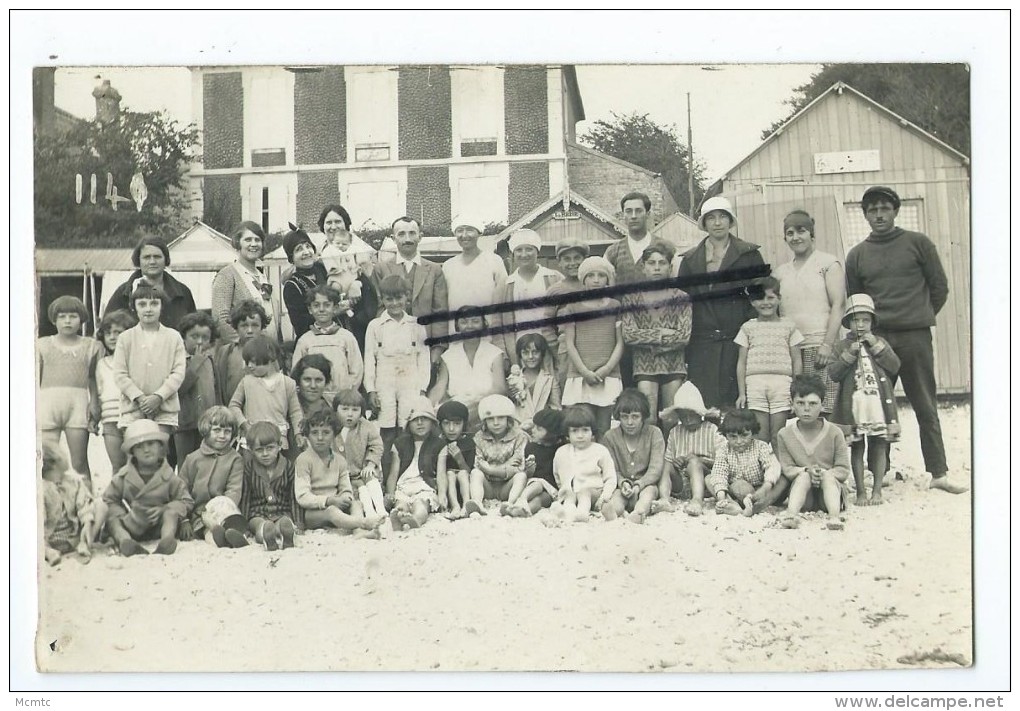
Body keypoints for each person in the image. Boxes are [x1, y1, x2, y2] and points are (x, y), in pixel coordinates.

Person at [844, 185, 965, 495]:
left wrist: (918, 315)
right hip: (876, 339)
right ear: (866, 215)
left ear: (895, 211)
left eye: (885, 208)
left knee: (925, 403)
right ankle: (880, 472)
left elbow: (939, 288)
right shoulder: (857, 255)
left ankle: (938, 472)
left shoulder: (918, 243)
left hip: (915, 336)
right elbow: (857, 300)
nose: (880, 214)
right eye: (873, 210)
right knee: (875, 404)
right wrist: (872, 333)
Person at [678, 196, 765, 409]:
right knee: (706, 406)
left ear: (730, 221)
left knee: (738, 405)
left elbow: (761, 296)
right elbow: (682, 303)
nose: (717, 223)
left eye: (723, 217)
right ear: (704, 223)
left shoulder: (749, 254)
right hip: (702, 344)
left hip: (738, 341)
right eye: (711, 218)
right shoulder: (690, 260)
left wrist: (750, 331)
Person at [828, 295, 901, 506]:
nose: (860, 325)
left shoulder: (879, 342)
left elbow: (895, 366)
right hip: (854, 407)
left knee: (879, 444)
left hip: (877, 405)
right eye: (855, 320)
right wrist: (849, 355)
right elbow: (833, 373)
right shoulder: (842, 345)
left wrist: (877, 346)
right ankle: (860, 491)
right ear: (848, 323)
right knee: (857, 447)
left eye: (865, 320)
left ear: (872, 322)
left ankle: (877, 490)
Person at [773, 210, 845, 414]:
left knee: (821, 410)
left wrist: (827, 345)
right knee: (796, 411)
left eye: (801, 231)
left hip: (820, 348)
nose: (795, 237)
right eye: (789, 233)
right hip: (792, 351)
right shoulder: (781, 272)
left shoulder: (828, 264)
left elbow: (838, 305)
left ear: (812, 234)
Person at [621, 242, 692, 424]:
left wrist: (647, 340)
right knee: (647, 417)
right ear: (644, 267)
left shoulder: (680, 297)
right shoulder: (631, 298)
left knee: (672, 417)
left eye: (662, 263)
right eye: (652, 263)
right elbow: (629, 334)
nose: (657, 268)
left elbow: (683, 336)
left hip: (673, 364)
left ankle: (671, 453)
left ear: (670, 267)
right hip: (644, 366)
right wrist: (660, 333)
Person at [100, 419, 194, 556]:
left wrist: (165, 508)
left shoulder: (168, 476)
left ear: (161, 447)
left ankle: (167, 540)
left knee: (171, 514)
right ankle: (125, 541)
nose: (146, 450)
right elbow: (109, 499)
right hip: (132, 524)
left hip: (158, 525)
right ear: (132, 451)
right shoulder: (124, 476)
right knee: (113, 521)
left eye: (151, 444)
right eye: (139, 446)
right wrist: (124, 515)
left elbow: (186, 500)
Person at [38, 295, 103, 488]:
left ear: (81, 319)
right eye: (62, 316)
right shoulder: (41, 345)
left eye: (73, 316)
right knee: (48, 461)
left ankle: (88, 507)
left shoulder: (92, 346)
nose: (67, 321)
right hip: (48, 404)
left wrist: (95, 403)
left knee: (79, 462)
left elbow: (95, 379)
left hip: (78, 404)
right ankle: (49, 508)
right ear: (54, 319)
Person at [364, 275, 431, 454]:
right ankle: (384, 465)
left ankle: (405, 463)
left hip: (410, 379)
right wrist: (371, 389)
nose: (394, 303)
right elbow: (369, 358)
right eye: (389, 299)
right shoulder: (375, 326)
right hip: (384, 379)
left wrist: (422, 388)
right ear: (382, 299)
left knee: (406, 423)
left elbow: (424, 358)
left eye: (398, 298)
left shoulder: (416, 325)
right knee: (385, 425)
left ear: (407, 297)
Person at [734, 276, 804, 445]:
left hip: (782, 383)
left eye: (770, 297)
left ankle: (781, 470)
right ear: (752, 302)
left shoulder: (789, 326)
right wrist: (742, 393)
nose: (765, 302)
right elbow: (741, 363)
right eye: (760, 298)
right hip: (755, 383)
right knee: (761, 436)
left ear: (779, 299)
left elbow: (797, 361)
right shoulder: (747, 327)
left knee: (779, 436)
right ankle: (764, 470)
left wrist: (796, 391)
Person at [776, 375, 852, 530]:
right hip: (804, 496)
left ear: (822, 405)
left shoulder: (835, 432)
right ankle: (791, 515)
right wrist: (806, 471)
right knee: (804, 476)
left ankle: (834, 518)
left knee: (828, 477)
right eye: (800, 403)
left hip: (832, 494)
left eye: (812, 403)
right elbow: (788, 468)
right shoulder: (784, 434)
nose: (806, 409)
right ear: (792, 404)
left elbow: (843, 469)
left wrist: (824, 473)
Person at [295, 408, 384, 539]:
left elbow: (345, 487)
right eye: (314, 433)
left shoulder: (340, 460)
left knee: (356, 504)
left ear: (335, 434)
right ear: (307, 435)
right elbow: (302, 496)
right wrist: (328, 501)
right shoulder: (303, 459)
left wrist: (345, 498)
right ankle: (364, 523)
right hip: (313, 512)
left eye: (326, 432)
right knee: (332, 511)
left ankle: (358, 532)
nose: (320, 438)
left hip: (336, 505)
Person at [372, 216, 448, 367]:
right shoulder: (381, 269)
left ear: (420, 237)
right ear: (393, 238)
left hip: (424, 346)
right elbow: (379, 308)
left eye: (412, 233)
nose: (407, 239)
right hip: (391, 346)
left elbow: (440, 311)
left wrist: (437, 349)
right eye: (401, 234)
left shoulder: (434, 270)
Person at [560, 256, 624, 436]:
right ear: (583, 279)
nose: (596, 280)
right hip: (580, 375)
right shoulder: (573, 307)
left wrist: (606, 369)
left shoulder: (615, 305)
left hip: (608, 376)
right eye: (591, 275)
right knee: (581, 425)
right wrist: (584, 371)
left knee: (606, 430)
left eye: (601, 275)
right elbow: (569, 343)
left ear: (607, 279)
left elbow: (620, 342)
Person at [112, 284, 187, 436]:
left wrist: (159, 396)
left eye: (154, 304)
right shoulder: (125, 338)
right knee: (136, 450)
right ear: (134, 308)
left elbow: (178, 372)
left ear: (162, 307)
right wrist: (139, 398)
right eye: (142, 304)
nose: (148, 309)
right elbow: (120, 374)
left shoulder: (173, 337)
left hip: (164, 406)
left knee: (159, 452)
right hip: (133, 407)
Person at [176, 406, 248, 548]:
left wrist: (220, 509)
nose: (222, 436)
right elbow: (181, 489)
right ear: (206, 431)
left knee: (230, 522)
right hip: (199, 513)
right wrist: (184, 519)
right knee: (208, 530)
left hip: (225, 509)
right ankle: (218, 537)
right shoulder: (193, 458)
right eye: (217, 430)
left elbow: (234, 490)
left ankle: (236, 536)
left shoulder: (235, 459)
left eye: (227, 431)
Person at [491, 229, 563, 363]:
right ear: (513, 254)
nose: (524, 254)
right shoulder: (505, 284)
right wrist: (505, 357)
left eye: (529, 249)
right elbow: (496, 324)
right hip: (519, 349)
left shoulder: (554, 278)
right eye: (519, 250)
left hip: (550, 347)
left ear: (537, 252)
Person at [657, 381, 726, 517]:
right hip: (681, 482)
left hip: (706, 481)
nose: (688, 420)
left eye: (691, 415)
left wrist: (700, 460)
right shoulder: (675, 432)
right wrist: (675, 462)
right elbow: (669, 459)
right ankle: (664, 499)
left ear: (700, 413)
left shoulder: (712, 430)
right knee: (666, 465)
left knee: (694, 463)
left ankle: (697, 500)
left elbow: (724, 461)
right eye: (683, 416)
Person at [430, 306, 507, 427]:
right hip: (456, 409)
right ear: (457, 326)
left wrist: (476, 405)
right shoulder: (449, 355)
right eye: (464, 322)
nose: (469, 326)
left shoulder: (494, 353)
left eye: (475, 321)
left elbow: (500, 388)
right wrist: (427, 406)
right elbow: (440, 386)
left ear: (483, 324)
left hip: (487, 408)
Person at [228, 335, 304, 456]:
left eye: (254, 362)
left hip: (277, 439)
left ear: (270, 359)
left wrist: (298, 433)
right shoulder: (246, 381)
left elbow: (295, 411)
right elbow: (233, 406)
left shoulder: (287, 383)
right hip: (252, 438)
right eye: (248, 362)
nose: (250, 366)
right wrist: (244, 424)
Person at [317, 204, 379, 351]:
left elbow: (369, 275)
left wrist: (357, 283)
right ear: (323, 226)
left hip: (357, 314)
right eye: (329, 222)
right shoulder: (319, 252)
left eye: (337, 221)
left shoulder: (357, 249)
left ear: (346, 224)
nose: (333, 226)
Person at [104, 236, 197, 330]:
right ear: (138, 260)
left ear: (166, 260)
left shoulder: (183, 293)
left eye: (157, 257)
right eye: (147, 257)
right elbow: (106, 330)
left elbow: (192, 330)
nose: (152, 262)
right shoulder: (124, 293)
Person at [600, 389, 664, 524]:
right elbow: (612, 470)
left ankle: (638, 514)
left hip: (646, 484)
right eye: (624, 417)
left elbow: (655, 469)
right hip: (622, 487)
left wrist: (638, 485)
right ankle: (613, 514)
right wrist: (623, 483)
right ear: (619, 417)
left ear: (643, 416)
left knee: (648, 495)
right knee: (616, 499)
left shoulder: (654, 433)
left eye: (635, 417)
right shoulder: (610, 437)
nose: (629, 422)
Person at [292, 284, 364, 399]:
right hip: (314, 399)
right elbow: (296, 371)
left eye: (327, 305)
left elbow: (357, 369)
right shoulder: (305, 340)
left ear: (335, 308)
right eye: (316, 305)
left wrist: (348, 393)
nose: (321, 309)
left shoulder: (346, 337)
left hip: (341, 398)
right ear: (310, 309)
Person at [705, 409, 781, 517]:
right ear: (726, 435)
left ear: (753, 432)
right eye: (733, 437)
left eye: (744, 435)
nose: (739, 441)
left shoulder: (761, 447)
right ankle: (729, 504)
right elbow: (719, 473)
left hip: (758, 491)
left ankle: (750, 505)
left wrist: (765, 488)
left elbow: (771, 467)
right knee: (709, 478)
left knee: (777, 480)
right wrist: (721, 497)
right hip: (732, 491)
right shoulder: (724, 450)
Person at [238, 421, 301, 551]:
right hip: (258, 513)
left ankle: (286, 532)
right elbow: (245, 497)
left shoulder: (288, 467)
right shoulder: (249, 468)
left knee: (284, 522)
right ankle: (266, 534)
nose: (265, 454)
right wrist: (243, 526)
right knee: (258, 525)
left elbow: (293, 496)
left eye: (270, 448)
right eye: (259, 450)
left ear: (279, 446)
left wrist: (298, 521)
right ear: (251, 450)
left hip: (282, 511)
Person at [551, 405, 617, 522]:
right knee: (569, 494)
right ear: (567, 434)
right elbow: (557, 474)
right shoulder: (561, 452)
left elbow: (610, 477)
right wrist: (564, 488)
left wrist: (604, 496)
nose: (580, 435)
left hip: (594, 494)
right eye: (575, 431)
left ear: (592, 432)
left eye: (585, 430)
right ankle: (567, 512)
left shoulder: (600, 450)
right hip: (571, 493)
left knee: (584, 492)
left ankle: (582, 513)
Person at [465, 394, 529, 515]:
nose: (496, 423)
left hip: (507, 486)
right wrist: (506, 465)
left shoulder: (519, 437)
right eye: (491, 419)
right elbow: (479, 464)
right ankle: (477, 503)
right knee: (475, 473)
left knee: (521, 476)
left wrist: (490, 470)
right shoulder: (479, 437)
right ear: (485, 421)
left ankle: (510, 504)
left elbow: (518, 468)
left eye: (500, 418)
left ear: (508, 419)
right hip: (487, 486)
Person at [212, 221, 275, 343]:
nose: (253, 244)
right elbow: (220, 318)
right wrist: (244, 345)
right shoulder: (227, 275)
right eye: (248, 240)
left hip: (268, 351)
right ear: (237, 243)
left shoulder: (263, 276)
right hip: (243, 352)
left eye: (257, 240)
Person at [385, 396, 442, 531]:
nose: (420, 423)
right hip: (403, 485)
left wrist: (443, 495)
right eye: (415, 419)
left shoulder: (439, 444)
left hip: (424, 486)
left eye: (424, 418)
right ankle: (398, 517)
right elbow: (393, 473)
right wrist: (390, 493)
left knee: (421, 504)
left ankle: (416, 519)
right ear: (408, 424)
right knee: (400, 504)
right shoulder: (399, 443)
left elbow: (441, 474)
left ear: (432, 422)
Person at [332, 388, 388, 522]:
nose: (350, 414)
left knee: (371, 480)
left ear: (362, 412)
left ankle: (381, 509)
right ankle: (369, 512)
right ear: (336, 410)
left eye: (355, 410)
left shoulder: (366, 427)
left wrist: (370, 464)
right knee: (361, 489)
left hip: (362, 469)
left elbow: (376, 445)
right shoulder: (332, 428)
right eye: (345, 409)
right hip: (344, 476)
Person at [41, 441, 98, 566]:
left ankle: (83, 543)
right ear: (55, 462)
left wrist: (87, 523)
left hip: (72, 537)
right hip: (48, 538)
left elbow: (84, 505)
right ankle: (47, 551)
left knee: (97, 505)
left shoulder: (73, 482)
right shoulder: (40, 489)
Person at [94, 308, 137, 474]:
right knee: (117, 467)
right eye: (108, 333)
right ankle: (117, 499)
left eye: (118, 332)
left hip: (133, 418)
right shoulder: (102, 364)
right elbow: (98, 393)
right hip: (110, 420)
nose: (112, 337)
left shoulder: (136, 361)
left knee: (136, 465)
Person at [441, 214, 508, 317]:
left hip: (488, 327)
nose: (464, 235)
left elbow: (503, 298)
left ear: (479, 233)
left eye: (469, 230)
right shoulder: (448, 266)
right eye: (460, 231)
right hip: (457, 328)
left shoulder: (494, 261)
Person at [174, 311, 218, 466]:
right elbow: (178, 389)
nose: (200, 342)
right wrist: (194, 365)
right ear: (184, 337)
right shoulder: (178, 360)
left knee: (207, 464)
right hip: (185, 424)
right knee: (186, 464)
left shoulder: (210, 360)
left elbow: (215, 389)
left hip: (208, 423)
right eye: (194, 337)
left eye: (205, 338)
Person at [543, 237, 589, 385]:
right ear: (560, 263)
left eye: (577, 258)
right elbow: (547, 326)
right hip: (566, 353)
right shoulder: (555, 290)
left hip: (593, 348)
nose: (573, 263)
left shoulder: (593, 285)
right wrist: (558, 351)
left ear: (585, 260)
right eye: (567, 259)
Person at [503, 408, 565, 518]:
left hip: (552, 490)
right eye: (534, 426)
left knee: (540, 499)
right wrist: (528, 470)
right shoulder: (531, 447)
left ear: (552, 432)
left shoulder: (562, 449)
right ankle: (521, 503)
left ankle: (522, 508)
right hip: (530, 486)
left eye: (539, 429)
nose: (533, 430)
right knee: (536, 483)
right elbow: (527, 474)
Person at [213, 300, 269, 408]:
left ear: (262, 327)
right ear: (236, 327)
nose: (249, 330)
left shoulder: (270, 351)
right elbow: (219, 386)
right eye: (244, 325)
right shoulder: (226, 352)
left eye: (255, 325)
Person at [281, 225, 329, 341]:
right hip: (312, 343)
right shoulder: (292, 286)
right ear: (291, 258)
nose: (306, 252)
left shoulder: (323, 270)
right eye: (299, 249)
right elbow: (301, 325)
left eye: (308, 246)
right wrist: (334, 312)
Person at [506, 333, 561, 432]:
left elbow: (556, 409)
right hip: (517, 430)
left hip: (541, 430)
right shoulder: (513, 379)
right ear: (520, 355)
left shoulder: (549, 379)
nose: (531, 356)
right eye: (525, 353)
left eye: (535, 352)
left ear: (542, 353)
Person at [433, 400, 476, 519]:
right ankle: (455, 506)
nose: (451, 429)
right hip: (445, 490)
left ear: (464, 423)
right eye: (446, 423)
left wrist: (459, 458)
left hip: (466, 487)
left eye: (457, 424)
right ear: (440, 424)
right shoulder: (437, 443)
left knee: (460, 474)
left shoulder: (469, 442)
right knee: (450, 474)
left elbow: (471, 472)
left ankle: (466, 506)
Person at [291, 354, 333, 421]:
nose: (313, 386)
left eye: (318, 380)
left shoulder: (334, 406)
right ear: (298, 380)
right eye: (307, 379)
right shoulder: (289, 406)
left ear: (326, 381)